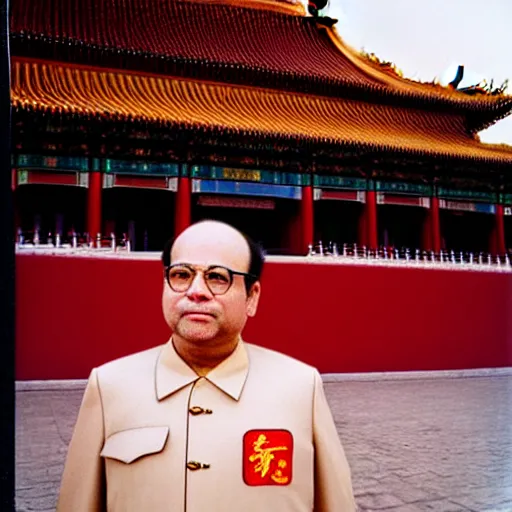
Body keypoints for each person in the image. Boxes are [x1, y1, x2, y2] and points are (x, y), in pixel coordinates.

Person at [57, 220, 356, 511]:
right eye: (181, 274)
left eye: (217, 277)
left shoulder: (301, 387)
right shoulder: (109, 385)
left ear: (252, 297)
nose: (196, 291)